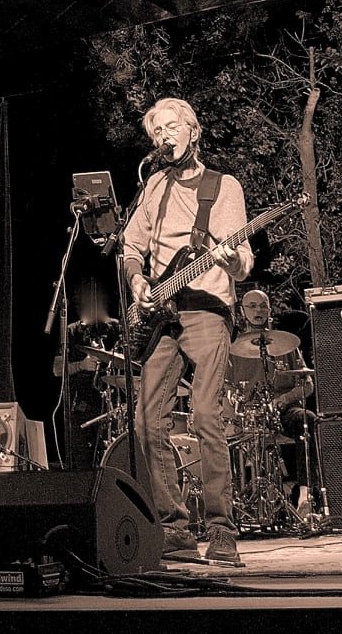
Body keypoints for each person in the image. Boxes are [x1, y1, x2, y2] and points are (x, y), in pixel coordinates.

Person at [122, 97, 252, 565]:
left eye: (172, 128)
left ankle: (221, 531)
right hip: (161, 314)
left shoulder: (224, 186)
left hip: (207, 308)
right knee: (144, 420)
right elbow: (130, 245)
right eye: (157, 133)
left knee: (204, 415)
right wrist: (137, 280)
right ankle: (175, 530)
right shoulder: (153, 186)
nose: (164, 137)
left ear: (194, 132)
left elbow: (244, 261)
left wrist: (231, 257)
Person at [228, 290, 315, 490]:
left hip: (282, 411)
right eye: (252, 306)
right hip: (248, 415)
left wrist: (282, 400)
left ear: (269, 310)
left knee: (307, 419)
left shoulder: (287, 345)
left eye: (262, 305)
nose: (258, 310)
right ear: (242, 311)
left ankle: (306, 492)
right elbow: (225, 387)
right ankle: (237, 493)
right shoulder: (233, 349)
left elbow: (307, 385)